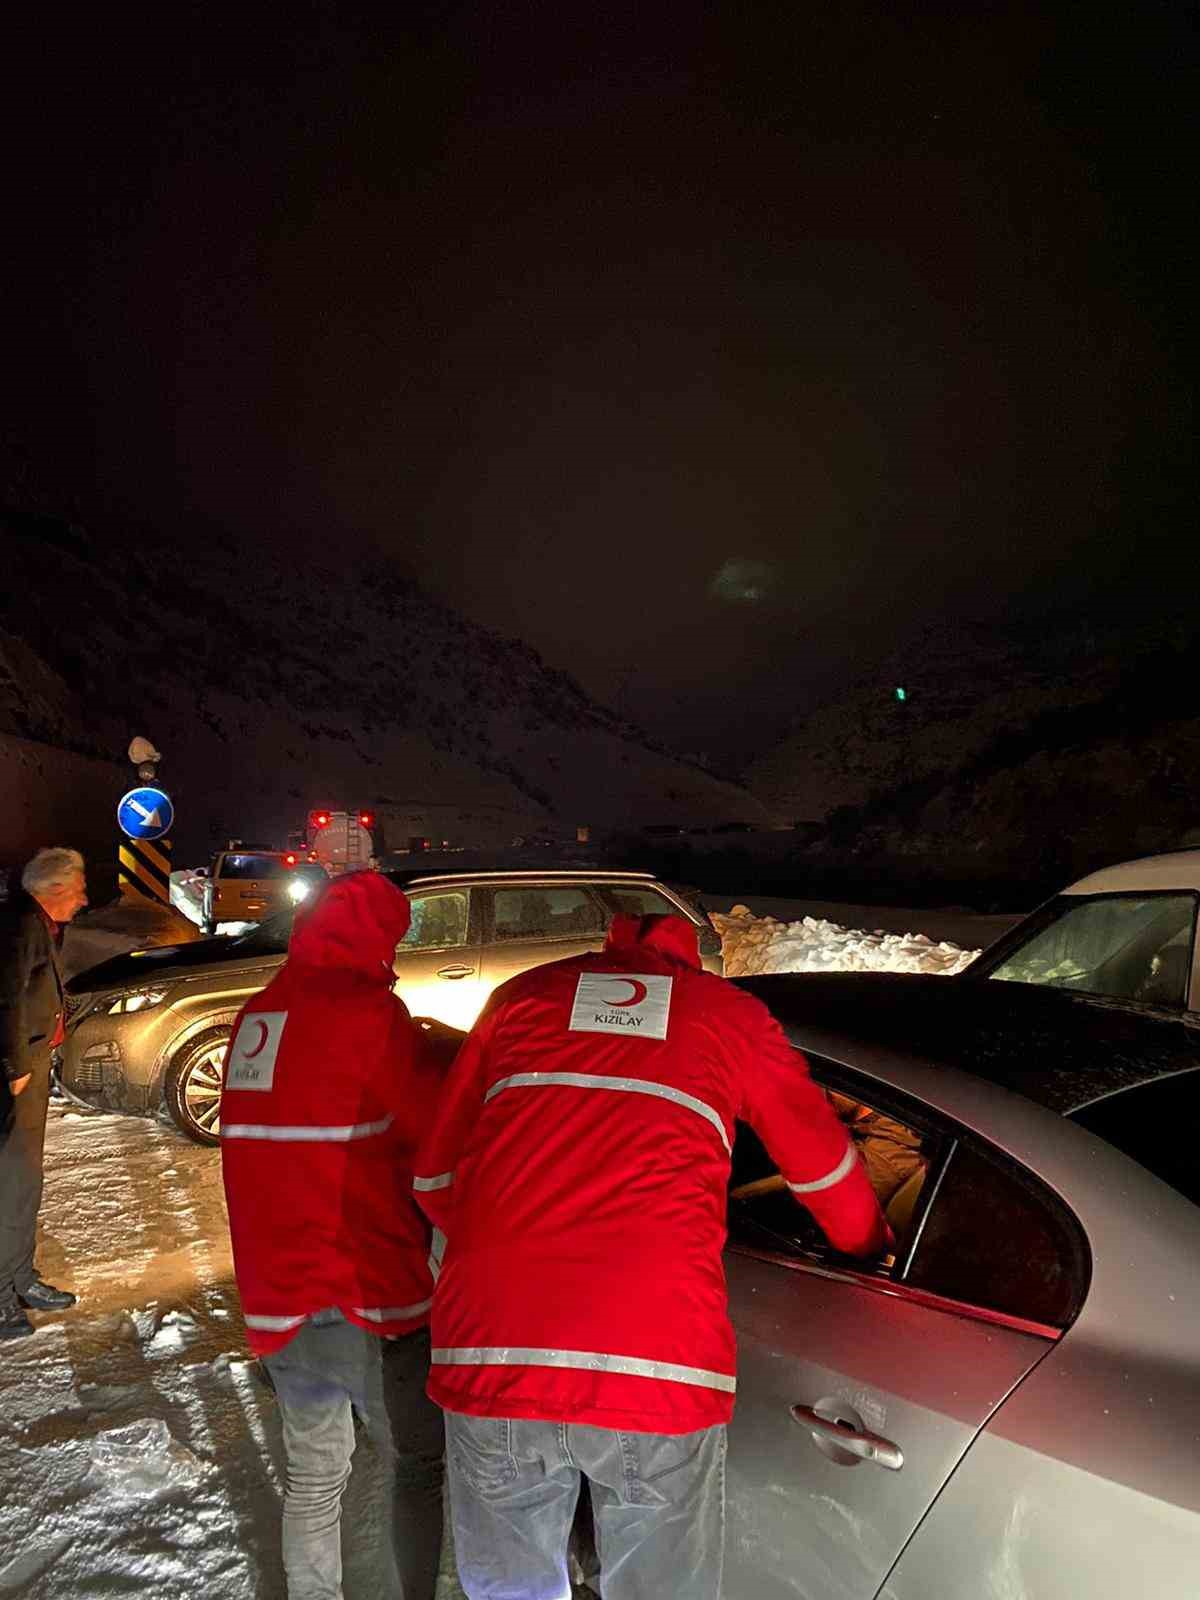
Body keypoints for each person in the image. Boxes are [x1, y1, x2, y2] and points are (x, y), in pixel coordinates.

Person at [413, 911, 889, 1600]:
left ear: (610, 949)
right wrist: (871, 1249)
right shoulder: (729, 1015)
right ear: (690, 960)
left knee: (509, 1589)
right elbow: (823, 1169)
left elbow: (433, 1179)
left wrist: (514, 1259)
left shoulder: (521, 997)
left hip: (492, 1347)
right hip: (656, 1359)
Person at [220, 871, 445, 1600]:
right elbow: (429, 1146)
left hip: (277, 1297)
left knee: (314, 1477)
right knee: (417, 1465)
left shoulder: (256, 1017)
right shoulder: (374, 1015)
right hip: (368, 1292)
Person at [0, 846, 88, 1340]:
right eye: (77, 889)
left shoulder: (37, 924)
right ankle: (1, 1297)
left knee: (25, 1182)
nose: (83, 899)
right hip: (18, 1072)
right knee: (12, 1183)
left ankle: (21, 1278)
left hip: (30, 1066)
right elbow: (5, 998)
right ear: (54, 889)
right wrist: (15, 1065)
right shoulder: (20, 926)